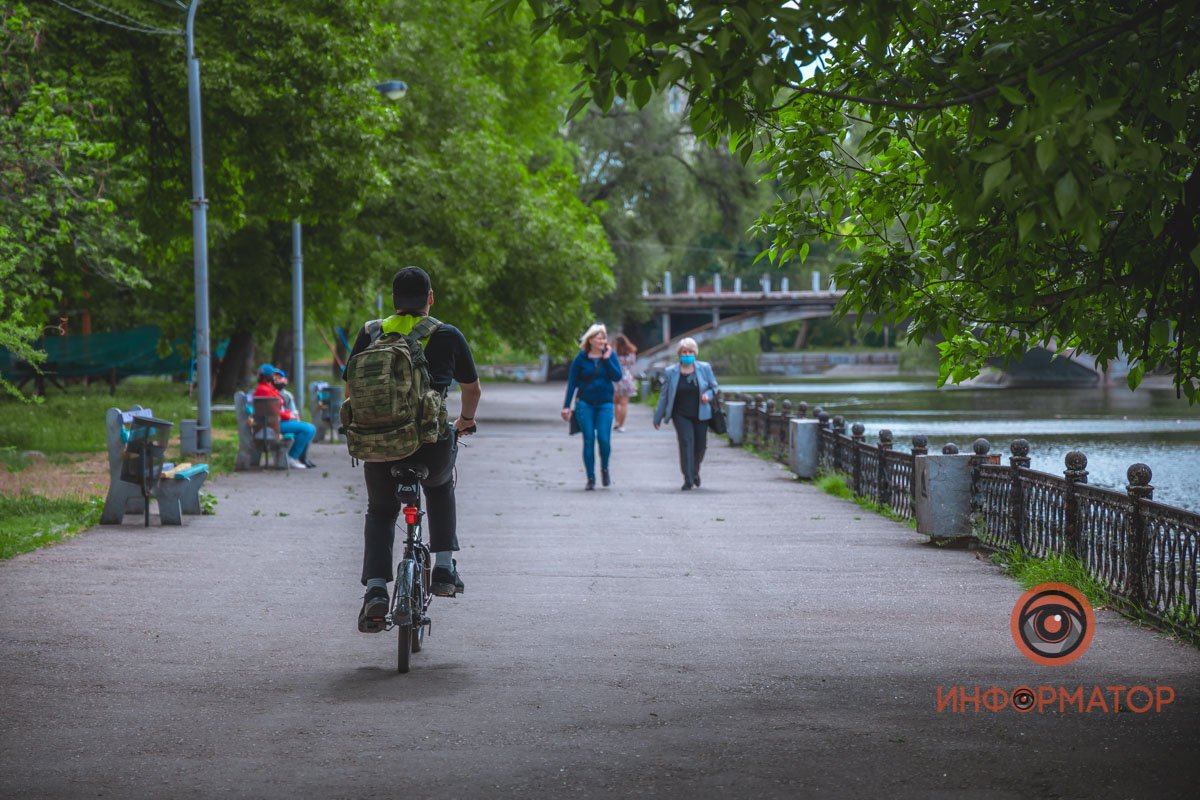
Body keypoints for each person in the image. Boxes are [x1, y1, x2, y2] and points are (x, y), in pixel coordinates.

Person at [344, 266, 482, 634]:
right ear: (430, 298)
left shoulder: (372, 332)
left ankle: (375, 592)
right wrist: (465, 420)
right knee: (439, 487)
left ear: (393, 300)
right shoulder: (447, 334)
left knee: (380, 511)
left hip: (378, 446)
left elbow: (351, 392)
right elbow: (473, 390)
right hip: (429, 445)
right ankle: (443, 567)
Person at [561, 323, 622, 490]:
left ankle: (604, 468)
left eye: (604, 337)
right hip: (585, 404)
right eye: (599, 337)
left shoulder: (611, 356)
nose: (603, 340)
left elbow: (617, 376)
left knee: (604, 439)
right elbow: (572, 383)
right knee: (588, 440)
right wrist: (566, 406)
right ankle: (590, 478)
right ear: (590, 340)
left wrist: (608, 359)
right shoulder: (580, 359)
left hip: (605, 404)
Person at [653, 338, 719, 490]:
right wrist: (658, 417)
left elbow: (713, 387)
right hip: (680, 414)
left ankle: (695, 471)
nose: (687, 355)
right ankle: (688, 478)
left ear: (695, 354)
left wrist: (707, 395)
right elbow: (664, 396)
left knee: (700, 446)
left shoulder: (704, 368)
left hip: (701, 414)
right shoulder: (671, 372)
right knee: (686, 443)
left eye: (690, 352)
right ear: (679, 354)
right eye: (684, 352)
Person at [252, 363, 316, 471]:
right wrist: (289, 415)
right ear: (269, 376)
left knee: (309, 428)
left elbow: (276, 409)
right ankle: (292, 458)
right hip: (272, 424)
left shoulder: (267, 389)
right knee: (308, 429)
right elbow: (273, 411)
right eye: (273, 375)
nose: (274, 377)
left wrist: (289, 413)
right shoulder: (264, 390)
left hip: (274, 422)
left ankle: (297, 458)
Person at [613, 334, 638, 432]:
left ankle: (616, 422)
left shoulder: (614, 354)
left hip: (616, 379)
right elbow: (633, 365)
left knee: (616, 403)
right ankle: (621, 426)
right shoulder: (631, 353)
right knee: (624, 404)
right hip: (627, 379)